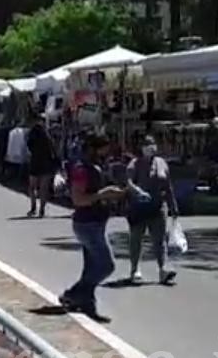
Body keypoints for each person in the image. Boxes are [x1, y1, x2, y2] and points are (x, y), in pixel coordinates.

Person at [60, 134, 123, 321]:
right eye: (103, 149)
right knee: (106, 266)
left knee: (91, 268)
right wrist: (103, 194)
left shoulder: (95, 167)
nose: (106, 153)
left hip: (96, 223)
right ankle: (74, 293)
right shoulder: (82, 169)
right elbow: (78, 199)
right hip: (87, 224)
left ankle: (86, 301)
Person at [125, 135, 178, 285]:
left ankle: (163, 269)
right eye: (147, 144)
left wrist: (173, 205)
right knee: (136, 239)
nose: (151, 147)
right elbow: (128, 182)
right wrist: (138, 191)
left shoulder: (161, 163)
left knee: (160, 240)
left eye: (153, 144)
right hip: (138, 208)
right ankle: (135, 269)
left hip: (157, 207)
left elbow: (167, 185)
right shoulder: (134, 164)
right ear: (141, 147)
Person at [26, 114, 58, 218]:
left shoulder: (33, 132)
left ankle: (34, 208)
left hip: (36, 162)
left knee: (33, 187)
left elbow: (29, 146)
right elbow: (53, 149)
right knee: (43, 188)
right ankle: (41, 210)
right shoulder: (48, 133)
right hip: (46, 163)